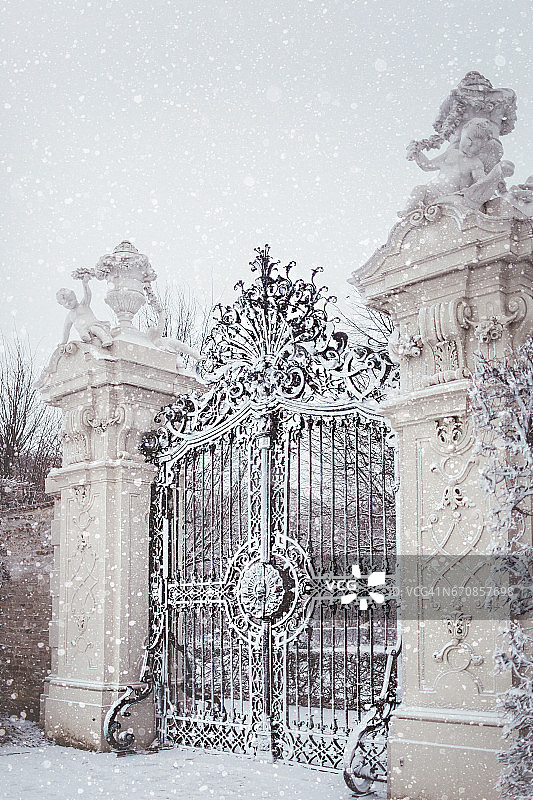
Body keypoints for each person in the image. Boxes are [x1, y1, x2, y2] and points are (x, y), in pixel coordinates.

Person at [402, 117, 497, 214]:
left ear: (482, 147)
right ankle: (408, 213)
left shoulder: (476, 163)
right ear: (462, 134)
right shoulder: (451, 153)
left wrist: (491, 179)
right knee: (419, 189)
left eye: (475, 144)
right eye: (468, 139)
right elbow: (427, 165)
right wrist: (417, 153)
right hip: (433, 192)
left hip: (453, 198)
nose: (469, 144)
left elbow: (481, 183)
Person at [56, 275, 113, 348]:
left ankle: (106, 339)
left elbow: (87, 295)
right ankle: (87, 339)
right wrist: (63, 342)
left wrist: (85, 284)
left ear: (75, 298)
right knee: (83, 334)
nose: (68, 304)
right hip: (84, 330)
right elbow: (66, 330)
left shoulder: (83, 305)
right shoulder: (70, 316)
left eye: (70, 300)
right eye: (65, 303)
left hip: (93, 325)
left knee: (96, 329)